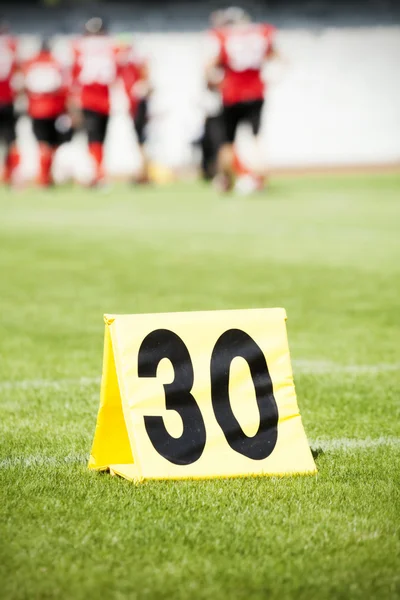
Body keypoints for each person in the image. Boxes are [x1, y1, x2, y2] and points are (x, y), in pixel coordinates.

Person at [205, 7, 277, 193]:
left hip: (232, 95)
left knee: (227, 141)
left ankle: (225, 180)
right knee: (256, 138)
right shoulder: (260, 34)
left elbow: (210, 66)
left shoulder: (224, 37)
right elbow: (279, 59)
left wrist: (214, 84)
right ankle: (259, 179)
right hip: (256, 94)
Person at [71, 17, 121, 186]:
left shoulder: (80, 48)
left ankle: (97, 173)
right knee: (97, 139)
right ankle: (97, 173)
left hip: (93, 100)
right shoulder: (111, 47)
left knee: (95, 139)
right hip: (98, 101)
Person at [22, 38, 70, 186]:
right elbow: (63, 87)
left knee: (43, 143)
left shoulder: (30, 63)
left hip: (36, 110)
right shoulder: (55, 63)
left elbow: (23, 86)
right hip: (54, 109)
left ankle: (44, 176)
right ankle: (44, 176)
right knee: (51, 143)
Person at [120, 42, 151, 183]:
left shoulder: (135, 64)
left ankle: (143, 174)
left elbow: (146, 84)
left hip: (139, 106)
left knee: (141, 141)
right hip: (135, 106)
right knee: (139, 141)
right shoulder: (130, 65)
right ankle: (142, 172)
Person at [0, 20, 20, 186]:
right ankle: (10, 175)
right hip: (6, 100)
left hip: (6, 99)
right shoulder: (11, 46)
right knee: (10, 140)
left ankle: (9, 175)